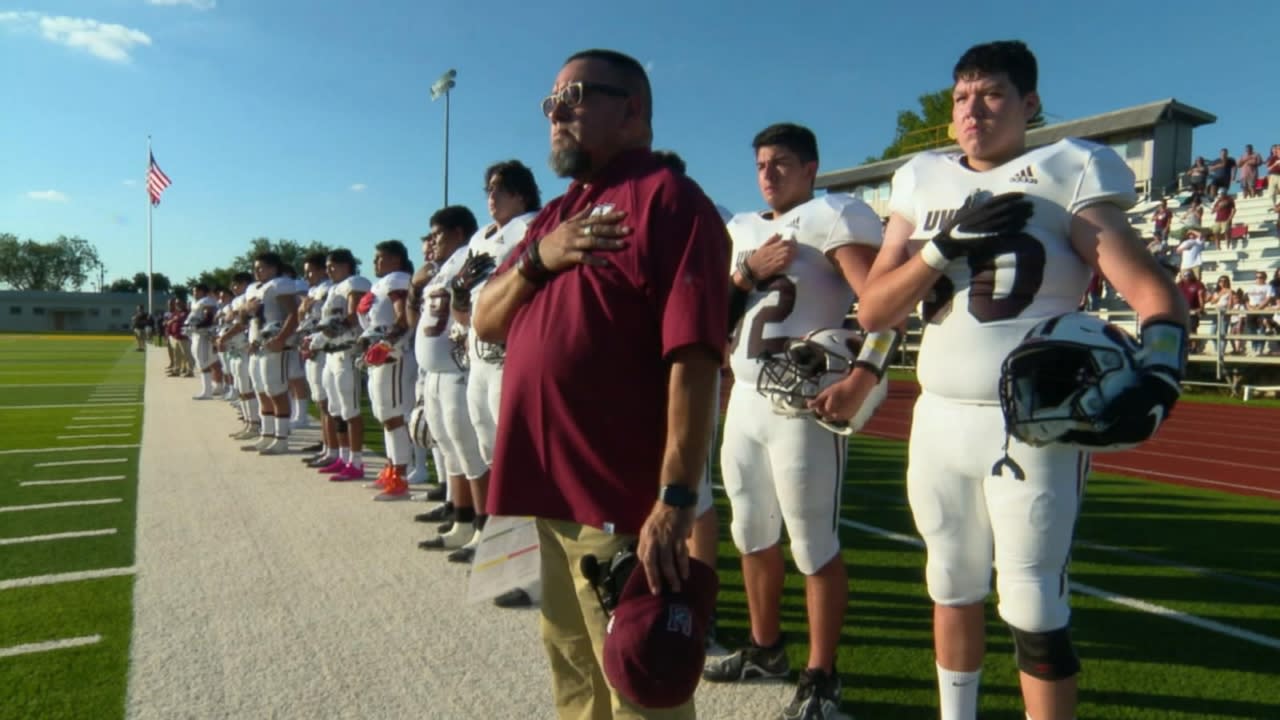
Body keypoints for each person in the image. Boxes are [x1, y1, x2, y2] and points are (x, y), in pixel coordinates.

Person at [856, 40, 1188, 720]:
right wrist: (943, 247)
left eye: (993, 94)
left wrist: (1162, 369)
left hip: (1033, 422)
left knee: (1034, 603)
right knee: (949, 584)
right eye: (961, 97)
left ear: (1029, 104)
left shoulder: (1067, 169)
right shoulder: (921, 181)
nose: (972, 109)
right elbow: (874, 308)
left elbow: (1149, 288)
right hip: (938, 419)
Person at [472, 48, 728, 719]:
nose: (555, 113)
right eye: (550, 101)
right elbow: (486, 320)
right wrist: (538, 262)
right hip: (548, 489)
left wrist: (675, 497)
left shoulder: (670, 200)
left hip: (620, 497)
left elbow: (694, 356)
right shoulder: (558, 216)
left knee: (639, 682)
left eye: (575, 96)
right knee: (574, 669)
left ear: (633, 109)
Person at [701, 122, 886, 720]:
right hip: (746, 401)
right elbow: (714, 317)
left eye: (781, 162)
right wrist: (746, 274)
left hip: (803, 404)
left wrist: (862, 378)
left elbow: (882, 307)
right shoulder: (742, 232)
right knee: (750, 532)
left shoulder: (836, 216)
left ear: (811, 168)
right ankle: (765, 649)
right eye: (760, 163)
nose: (768, 173)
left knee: (813, 544)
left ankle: (822, 676)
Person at [358, 240, 418, 500]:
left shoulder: (398, 280)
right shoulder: (381, 283)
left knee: (394, 416)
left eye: (380, 258)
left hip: (394, 356)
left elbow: (402, 316)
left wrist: (388, 343)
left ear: (395, 260)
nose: (375, 263)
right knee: (384, 416)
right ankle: (391, 468)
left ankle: (400, 477)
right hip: (380, 357)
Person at [316, 249, 371, 481]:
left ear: (347, 266)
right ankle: (343, 456)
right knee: (336, 409)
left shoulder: (354, 282)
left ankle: (356, 462)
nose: (329, 269)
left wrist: (327, 333)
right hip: (331, 353)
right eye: (328, 266)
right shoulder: (332, 288)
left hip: (346, 352)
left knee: (350, 410)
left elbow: (351, 316)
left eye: (334, 265)